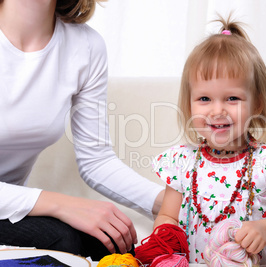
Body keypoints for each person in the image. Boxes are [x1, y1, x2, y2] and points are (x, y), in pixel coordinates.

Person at [0, 0, 164, 261]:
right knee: (63, 240)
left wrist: (170, 204)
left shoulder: (85, 47)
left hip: (10, 209)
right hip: (18, 207)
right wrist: (61, 204)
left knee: (111, 242)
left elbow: (97, 160)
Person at [153, 15, 266, 266]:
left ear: (257, 103)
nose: (217, 111)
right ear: (189, 103)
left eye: (232, 99)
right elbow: (167, 217)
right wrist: (163, 243)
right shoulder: (181, 161)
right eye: (204, 99)